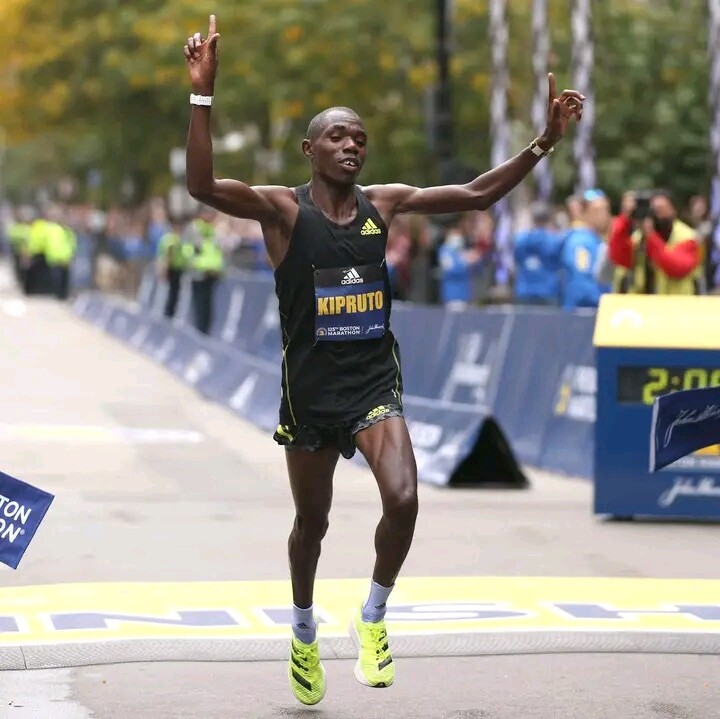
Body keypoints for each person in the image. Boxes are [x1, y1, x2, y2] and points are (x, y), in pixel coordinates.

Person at [183, 14, 584, 706]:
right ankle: (303, 629)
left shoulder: (386, 204)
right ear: (310, 149)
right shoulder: (282, 211)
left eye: (360, 139)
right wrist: (202, 96)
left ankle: (372, 616)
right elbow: (201, 186)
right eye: (338, 136)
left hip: (373, 384)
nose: (352, 146)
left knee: (403, 497)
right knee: (312, 525)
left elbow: (477, 193)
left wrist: (543, 141)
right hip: (310, 394)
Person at [609, 189, 701, 295]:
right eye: (653, 210)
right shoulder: (639, 238)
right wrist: (626, 218)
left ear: (673, 210)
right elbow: (618, 257)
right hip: (642, 302)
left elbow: (677, 269)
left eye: (661, 209)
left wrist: (651, 236)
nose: (657, 215)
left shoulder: (687, 237)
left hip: (676, 303)